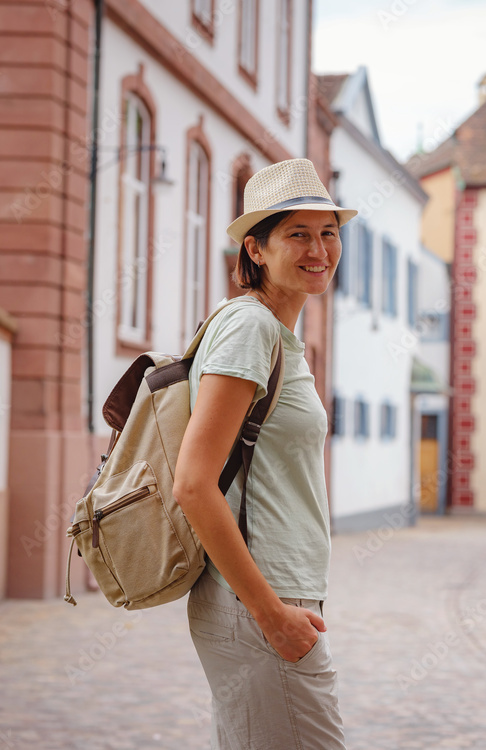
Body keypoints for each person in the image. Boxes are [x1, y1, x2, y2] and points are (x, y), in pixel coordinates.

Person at [173, 158, 357, 749]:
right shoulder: (250, 328)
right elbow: (194, 484)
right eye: (298, 234)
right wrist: (270, 613)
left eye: (328, 232)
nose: (319, 249)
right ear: (256, 248)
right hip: (260, 599)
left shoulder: (276, 336)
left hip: (269, 597)